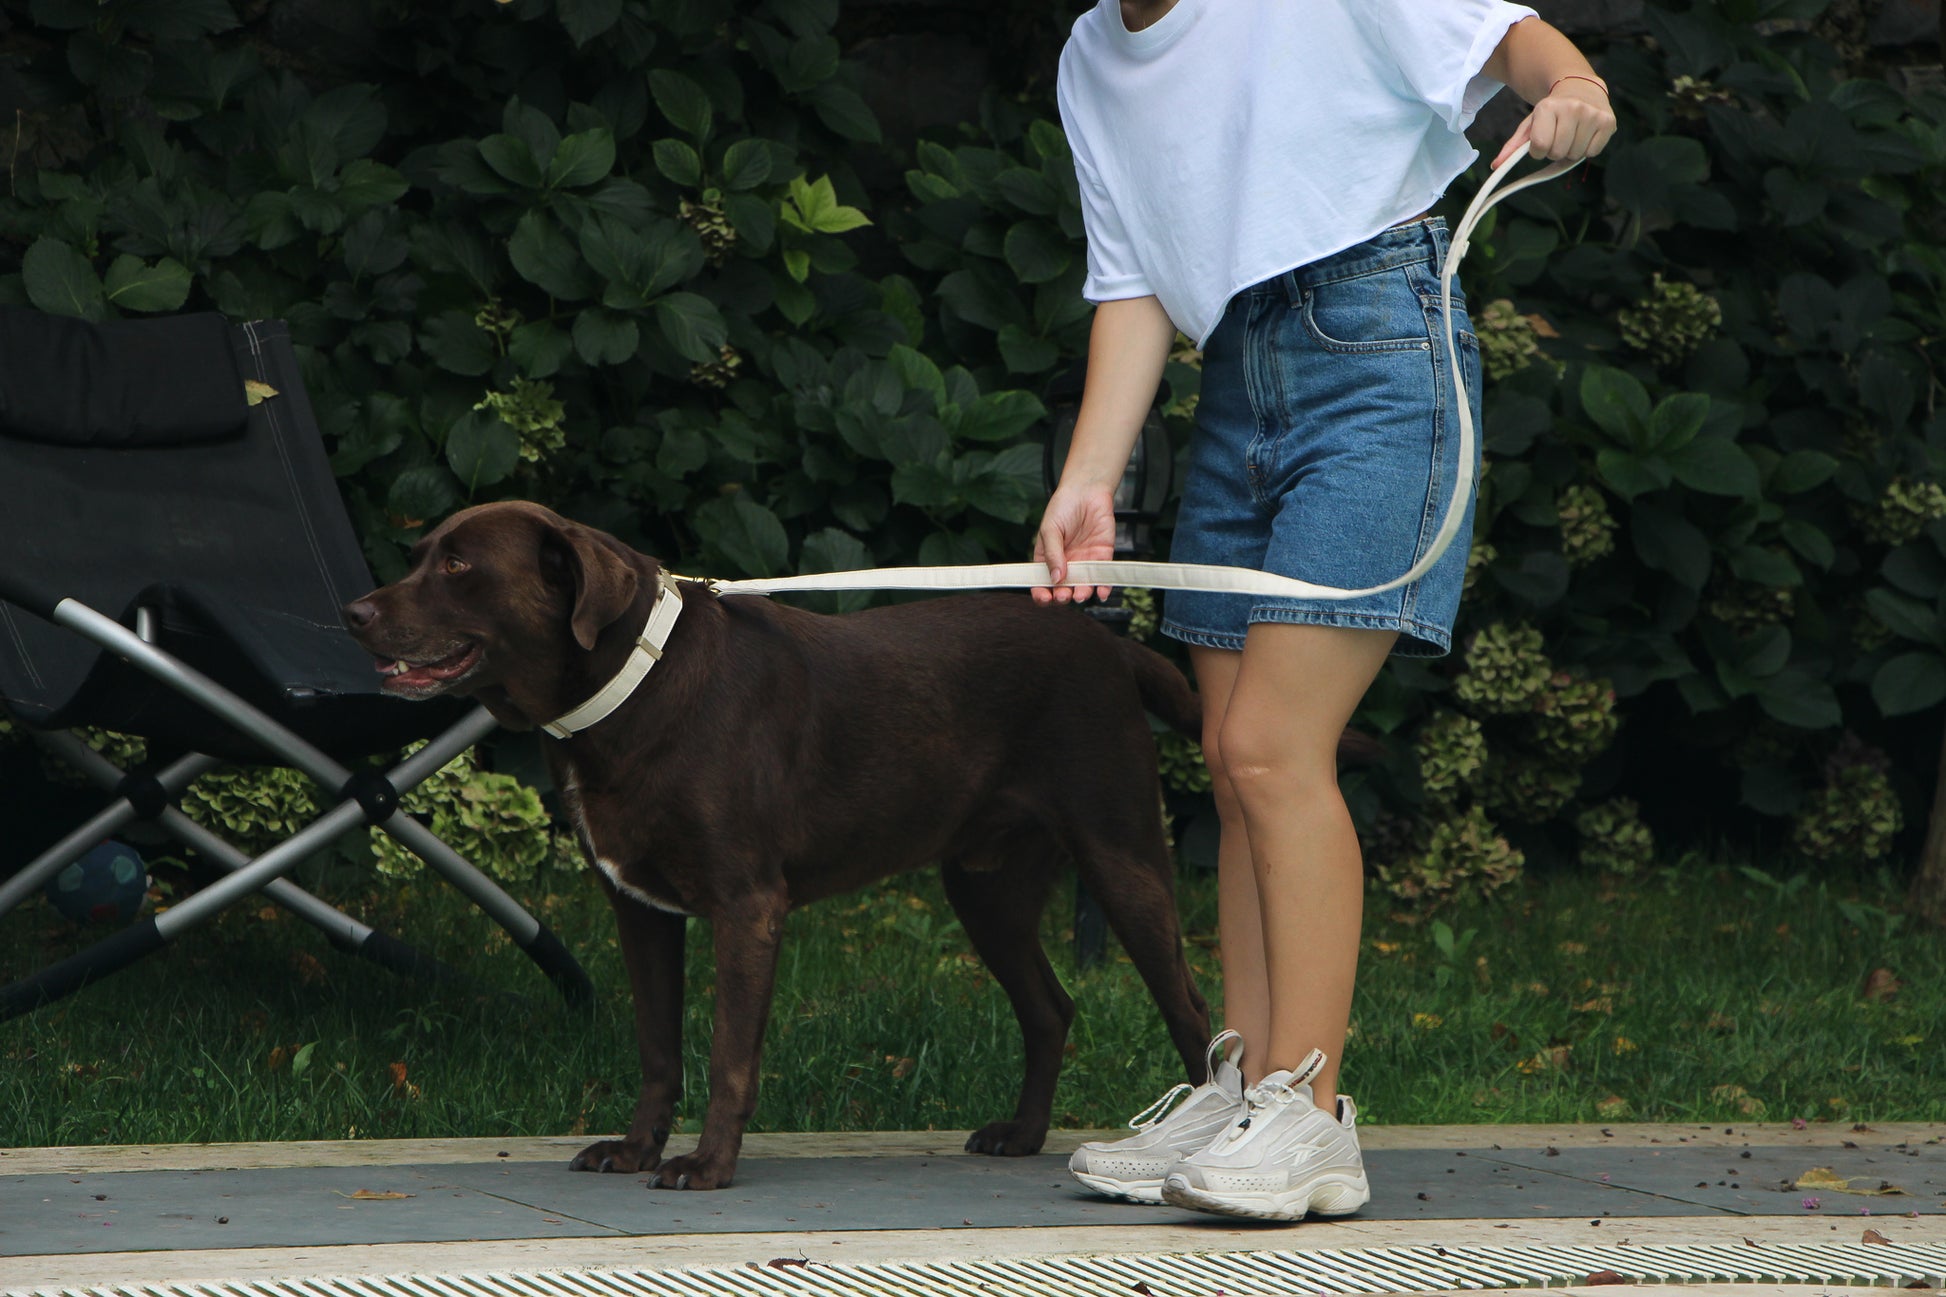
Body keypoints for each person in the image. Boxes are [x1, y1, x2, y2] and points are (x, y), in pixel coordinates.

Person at [1039, 0, 1616, 1222]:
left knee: (1270, 747)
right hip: (1236, 379)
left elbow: (1512, 38)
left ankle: (1309, 1120)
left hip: (1376, 360)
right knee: (1227, 753)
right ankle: (1245, 1087)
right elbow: (1137, 280)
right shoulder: (1091, 57)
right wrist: (1088, 480)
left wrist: (1574, 88)